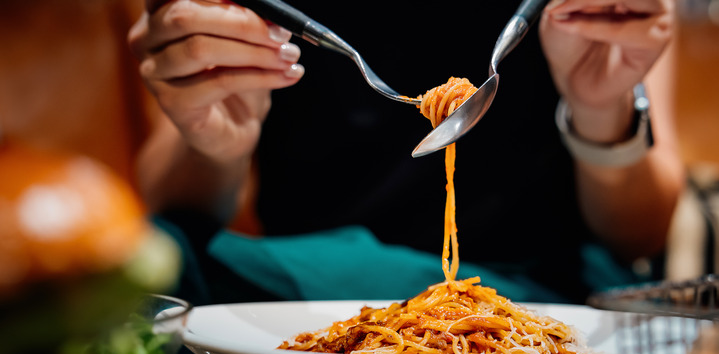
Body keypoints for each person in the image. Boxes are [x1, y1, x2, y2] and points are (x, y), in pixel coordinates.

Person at [127, 0, 684, 306]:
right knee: (144, 268)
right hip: (303, 295)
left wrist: (601, 108)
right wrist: (215, 143)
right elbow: (170, 206)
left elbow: (641, 234)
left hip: (541, 294)